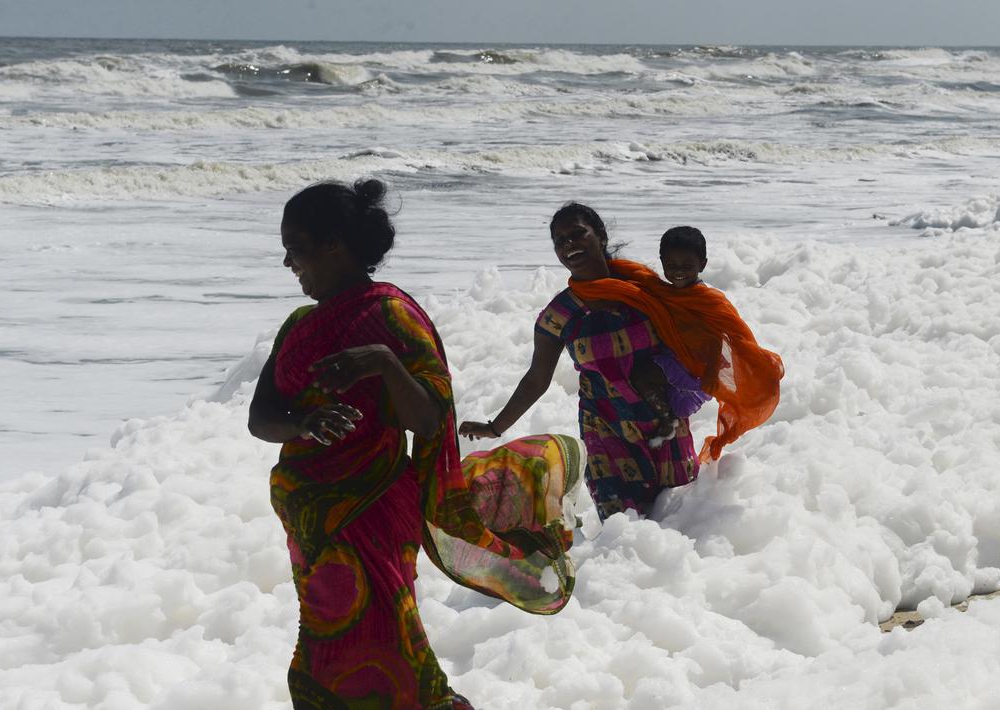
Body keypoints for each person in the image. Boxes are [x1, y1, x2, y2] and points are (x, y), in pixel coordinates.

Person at [249, 179, 583, 710]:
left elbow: (429, 421)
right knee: (331, 642)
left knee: (373, 643)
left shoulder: (392, 316)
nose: (289, 261)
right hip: (310, 521)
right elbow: (260, 417)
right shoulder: (298, 325)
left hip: (372, 508)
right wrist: (305, 423)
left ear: (334, 243)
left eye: (296, 246)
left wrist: (384, 362)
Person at [459, 204, 701, 521]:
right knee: (624, 532)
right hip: (606, 432)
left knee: (682, 527)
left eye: (577, 234)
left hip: (664, 423)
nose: (569, 244)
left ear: (599, 236)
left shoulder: (644, 288)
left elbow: (697, 324)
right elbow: (536, 378)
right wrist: (496, 426)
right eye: (560, 241)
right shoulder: (559, 315)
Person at [628, 226, 715, 442]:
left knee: (640, 375)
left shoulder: (707, 299)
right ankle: (670, 416)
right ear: (662, 262)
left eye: (687, 266)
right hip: (673, 359)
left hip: (694, 370)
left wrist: (711, 372)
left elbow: (721, 336)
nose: (678, 271)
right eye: (671, 265)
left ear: (702, 264)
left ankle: (666, 419)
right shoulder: (667, 293)